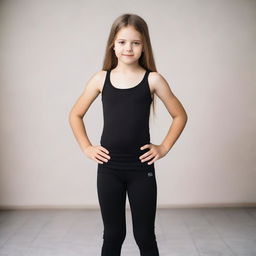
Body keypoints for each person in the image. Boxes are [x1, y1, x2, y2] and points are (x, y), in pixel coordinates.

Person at [69, 13, 188, 256]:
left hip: (140, 169)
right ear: (113, 44)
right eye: (122, 42)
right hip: (109, 168)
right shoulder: (101, 79)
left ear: (144, 46)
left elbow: (180, 115)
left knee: (144, 235)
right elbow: (75, 115)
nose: (128, 48)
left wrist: (163, 148)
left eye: (135, 42)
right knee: (113, 235)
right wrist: (87, 147)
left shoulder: (153, 80)